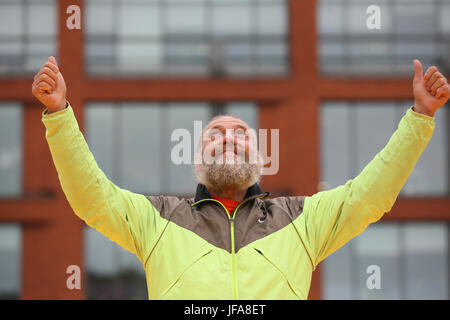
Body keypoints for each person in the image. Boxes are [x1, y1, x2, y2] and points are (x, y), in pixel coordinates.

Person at [32, 56, 449, 300]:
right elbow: (92, 197)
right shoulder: (157, 220)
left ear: (261, 157)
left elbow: (370, 194)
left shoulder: (302, 221)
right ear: (198, 158)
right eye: (216, 135)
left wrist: (421, 117)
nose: (229, 140)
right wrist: (58, 113)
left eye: (240, 136)